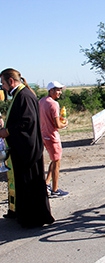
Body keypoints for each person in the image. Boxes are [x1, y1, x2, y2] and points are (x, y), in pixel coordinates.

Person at [0, 68, 54, 228]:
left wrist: (7, 131)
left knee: (30, 183)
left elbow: (27, 122)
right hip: (22, 147)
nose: (2, 87)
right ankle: (21, 213)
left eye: (3, 83)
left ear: (11, 81)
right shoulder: (20, 95)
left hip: (28, 149)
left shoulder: (24, 95)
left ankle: (32, 218)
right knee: (22, 183)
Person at [39, 81, 69, 197]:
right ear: (51, 90)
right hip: (52, 136)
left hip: (43, 134)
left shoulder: (41, 101)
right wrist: (65, 123)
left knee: (53, 159)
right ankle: (55, 190)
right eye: (57, 90)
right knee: (57, 162)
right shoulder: (54, 104)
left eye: (60, 89)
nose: (59, 92)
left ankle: (46, 183)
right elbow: (57, 124)